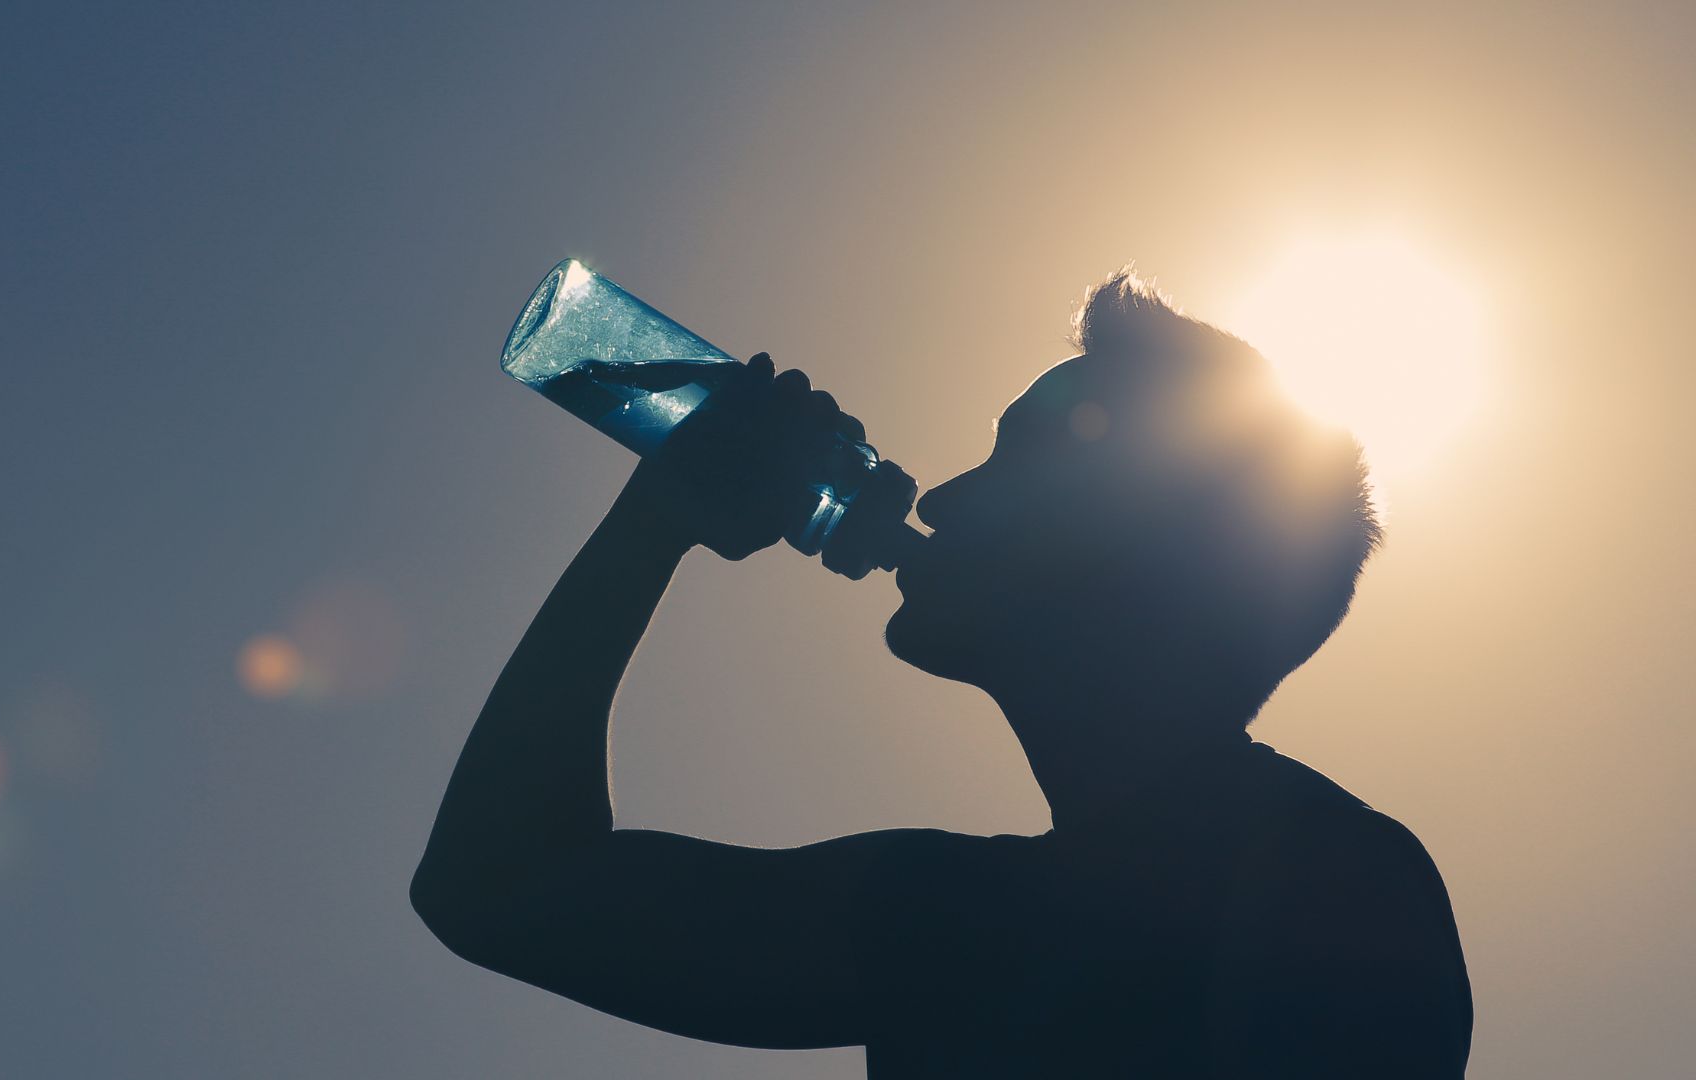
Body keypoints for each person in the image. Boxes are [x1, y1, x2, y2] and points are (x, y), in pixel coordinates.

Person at [411, 271, 1473, 1077]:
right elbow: (494, 891)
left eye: (1016, 461)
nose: (942, 498)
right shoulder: (969, 912)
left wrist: (653, 530)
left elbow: (499, 887)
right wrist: (657, 519)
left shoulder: (1317, 891)